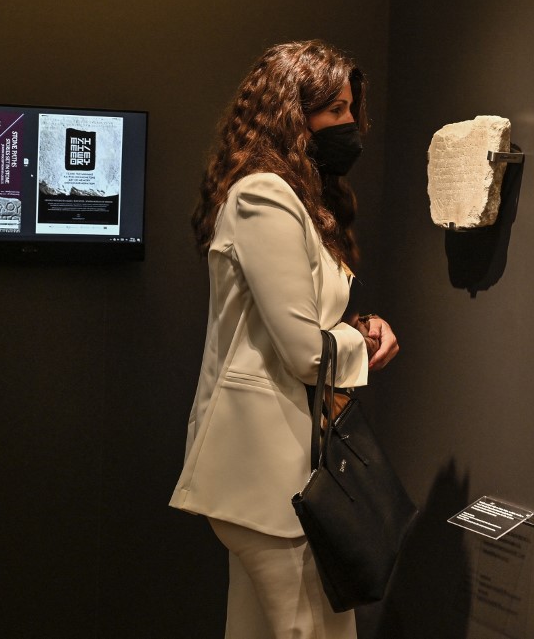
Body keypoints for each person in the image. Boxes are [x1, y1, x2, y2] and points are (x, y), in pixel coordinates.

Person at [169, 40, 399, 639]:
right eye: (334, 110)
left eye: (351, 109)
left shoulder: (289, 197)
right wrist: (362, 347)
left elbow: (298, 324)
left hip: (271, 474)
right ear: (292, 113)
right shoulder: (264, 196)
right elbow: (302, 351)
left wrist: (350, 330)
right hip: (269, 474)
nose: (350, 125)